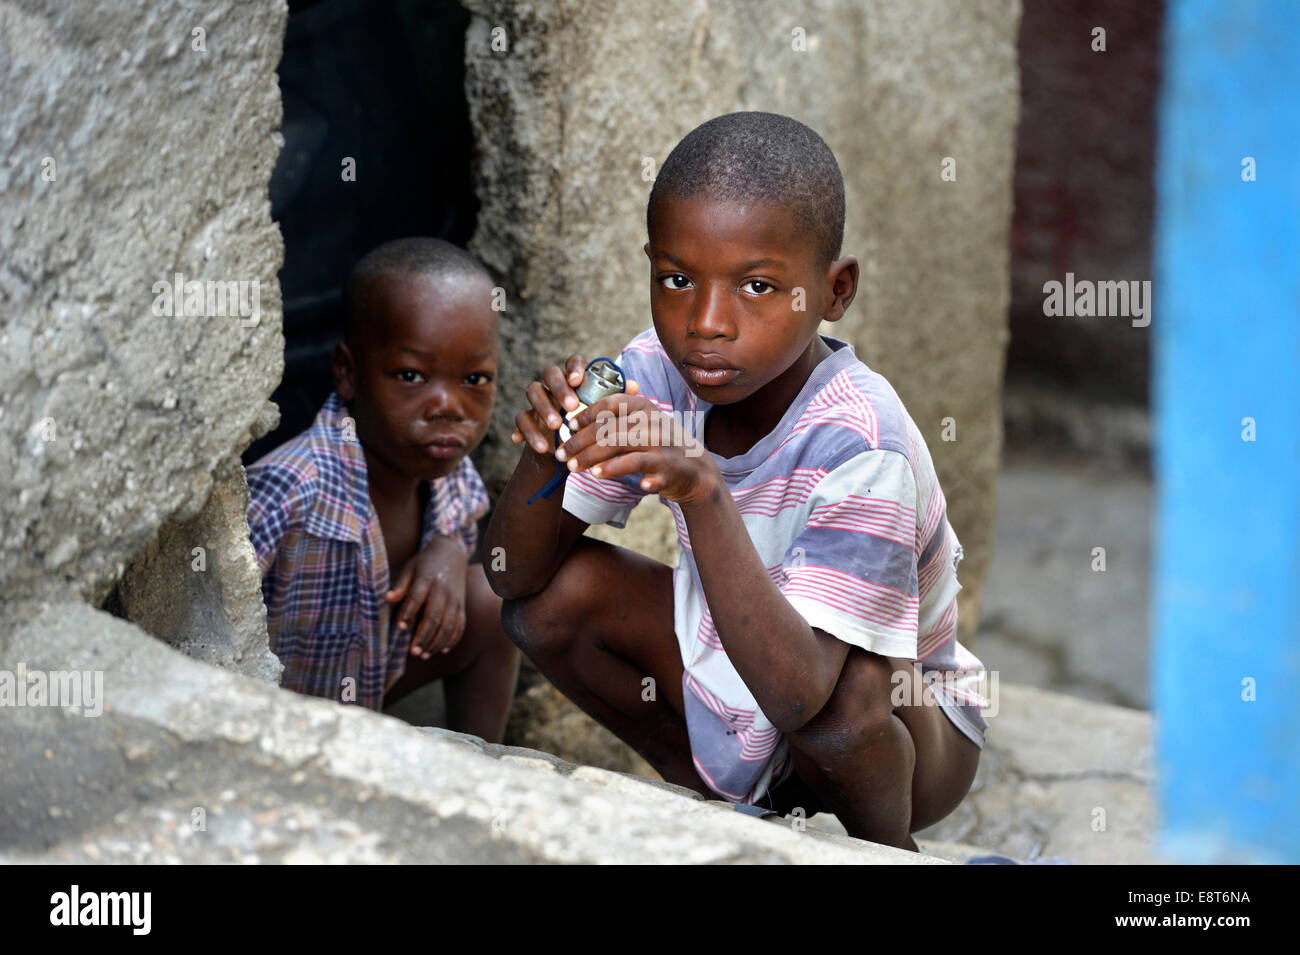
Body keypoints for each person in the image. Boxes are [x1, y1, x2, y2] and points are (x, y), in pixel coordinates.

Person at [484, 113, 990, 849]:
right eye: (677, 279)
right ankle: (723, 808)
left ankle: (886, 854)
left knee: (846, 701)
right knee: (551, 604)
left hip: (906, 735)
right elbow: (510, 576)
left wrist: (703, 490)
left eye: (757, 285)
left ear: (834, 290)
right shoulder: (657, 372)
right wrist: (544, 452)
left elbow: (803, 689)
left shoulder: (861, 442)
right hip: (746, 669)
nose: (707, 323)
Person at [246, 237, 519, 742]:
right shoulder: (290, 488)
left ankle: (481, 768)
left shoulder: (446, 462)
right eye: (411, 375)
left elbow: (462, 515)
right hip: (276, 717)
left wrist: (447, 551)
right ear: (348, 373)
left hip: (370, 679)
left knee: (492, 600)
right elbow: (211, 618)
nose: (449, 406)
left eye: (475, 378)